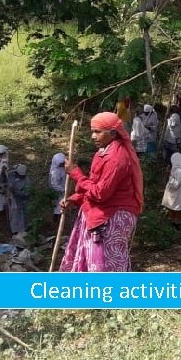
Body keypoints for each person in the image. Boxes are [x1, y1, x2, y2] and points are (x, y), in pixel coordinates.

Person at [59, 112, 143, 272]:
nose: (93, 136)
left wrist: (75, 173)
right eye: (92, 131)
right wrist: (74, 199)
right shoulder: (102, 153)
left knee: (107, 266)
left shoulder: (117, 158)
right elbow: (93, 184)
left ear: (112, 133)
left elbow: (100, 193)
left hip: (113, 217)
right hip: (100, 213)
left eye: (97, 132)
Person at [161, 153, 181, 229]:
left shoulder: (179, 171)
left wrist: (170, 179)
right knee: (177, 209)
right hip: (180, 193)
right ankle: (176, 224)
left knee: (176, 209)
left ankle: (176, 225)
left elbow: (176, 184)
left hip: (176, 194)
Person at [8, 164, 31, 236]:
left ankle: (23, 230)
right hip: (13, 198)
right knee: (14, 214)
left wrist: (16, 193)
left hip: (22, 198)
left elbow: (27, 192)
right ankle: (14, 230)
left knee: (22, 214)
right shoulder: (11, 174)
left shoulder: (27, 181)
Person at [49, 153, 67, 228]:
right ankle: (56, 224)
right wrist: (63, 190)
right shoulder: (55, 172)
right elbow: (54, 184)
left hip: (63, 190)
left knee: (61, 207)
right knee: (57, 208)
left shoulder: (62, 168)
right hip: (58, 192)